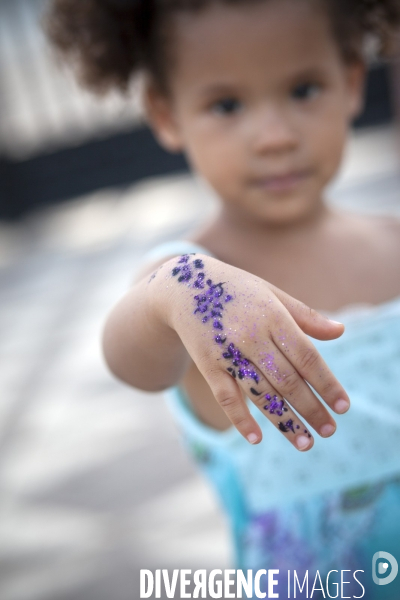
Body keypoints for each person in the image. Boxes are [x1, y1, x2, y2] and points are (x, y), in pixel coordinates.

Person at [46, 0, 400, 597]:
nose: (276, 137)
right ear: (167, 114)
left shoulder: (393, 240)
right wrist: (181, 290)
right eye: (227, 105)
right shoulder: (185, 280)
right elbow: (126, 354)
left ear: (352, 82)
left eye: (305, 89)